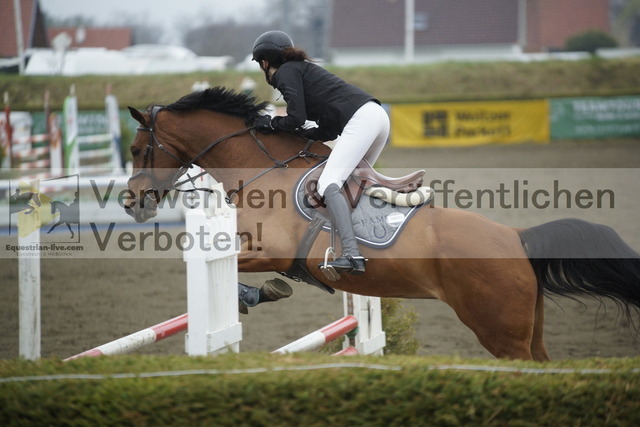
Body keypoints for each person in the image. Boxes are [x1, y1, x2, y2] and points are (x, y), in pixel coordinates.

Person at [251, 30, 390, 276]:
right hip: (376, 117)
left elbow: (296, 118)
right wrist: (300, 135)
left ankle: (352, 254)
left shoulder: (285, 71)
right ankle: (374, 238)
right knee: (351, 184)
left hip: (362, 119)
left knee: (328, 185)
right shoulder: (302, 70)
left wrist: (270, 124)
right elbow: (327, 129)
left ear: (264, 62)